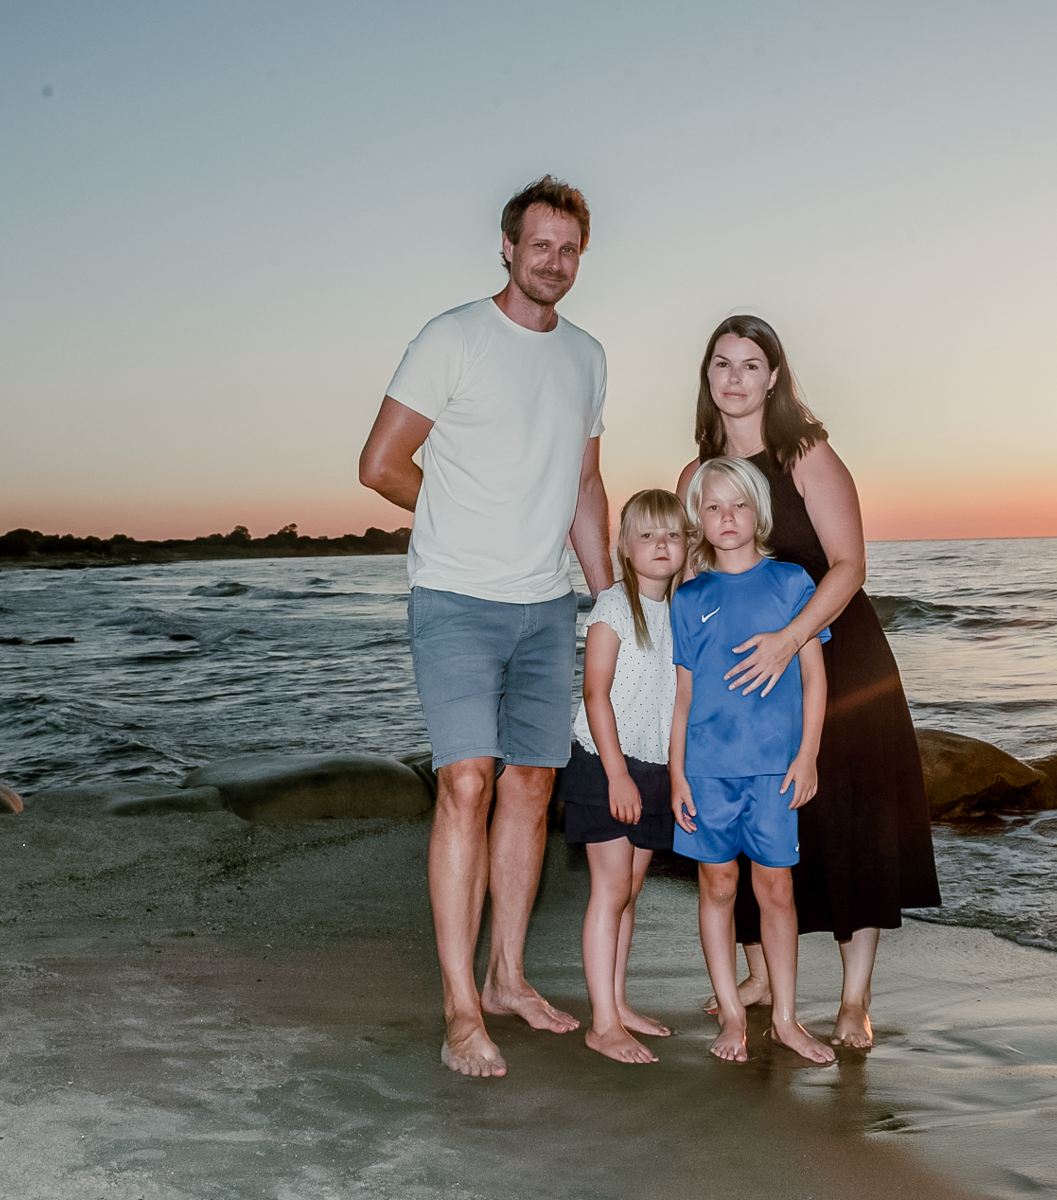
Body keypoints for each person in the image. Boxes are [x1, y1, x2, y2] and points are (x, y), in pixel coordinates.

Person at [357, 176, 612, 1078]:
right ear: (507, 248)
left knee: (533, 789)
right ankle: (460, 1007)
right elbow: (381, 465)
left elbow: (585, 486)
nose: (554, 261)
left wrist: (610, 594)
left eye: (568, 248)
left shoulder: (588, 357)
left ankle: (506, 976)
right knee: (466, 783)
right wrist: (460, 520)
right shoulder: (452, 336)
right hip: (457, 599)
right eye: (539, 245)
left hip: (547, 607)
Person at [676, 315, 941, 1049]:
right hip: (745, 683)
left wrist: (790, 641)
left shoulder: (806, 452)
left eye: (751, 364)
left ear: (774, 376)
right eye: (721, 364)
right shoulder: (697, 477)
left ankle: (854, 999)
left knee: (846, 824)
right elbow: (693, 582)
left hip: (837, 659)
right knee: (750, 823)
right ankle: (760, 978)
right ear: (707, 378)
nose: (735, 378)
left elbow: (851, 564)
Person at [670, 457, 836, 1065]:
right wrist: (678, 775)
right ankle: (733, 1017)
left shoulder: (791, 582)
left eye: (737, 505)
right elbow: (683, 697)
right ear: (698, 519)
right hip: (708, 771)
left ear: (758, 511)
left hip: (775, 769)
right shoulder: (688, 599)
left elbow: (814, 679)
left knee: (777, 890)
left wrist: (808, 754)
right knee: (717, 886)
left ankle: (787, 1019)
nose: (727, 517)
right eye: (712, 507)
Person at [563, 488, 686, 1064]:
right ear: (625, 547)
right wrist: (616, 775)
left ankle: (617, 1002)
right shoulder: (614, 604)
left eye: (673, 534)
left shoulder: (682, 610)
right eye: (647, 535)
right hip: (606, 763)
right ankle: (602, 1024)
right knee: (610, 891)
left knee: (630, 893)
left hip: (655, 765)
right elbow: (594, 692)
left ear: (688, 545)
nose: (661, 545)